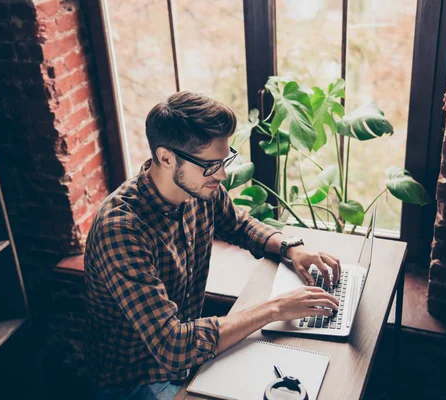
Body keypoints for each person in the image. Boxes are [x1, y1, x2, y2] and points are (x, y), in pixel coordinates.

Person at [84, 91, 341, 400]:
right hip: (139, 381)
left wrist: (291, 248)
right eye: (210, 165)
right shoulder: (122, 229)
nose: (221, 175)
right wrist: (276, 307)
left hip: (191, 357)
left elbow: (239, 224)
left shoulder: (197, 186)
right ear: (166, 158)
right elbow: (173, 347)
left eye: (224, 161)